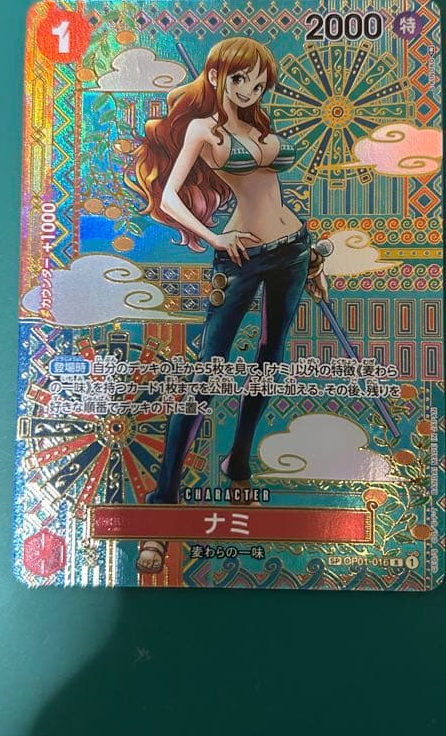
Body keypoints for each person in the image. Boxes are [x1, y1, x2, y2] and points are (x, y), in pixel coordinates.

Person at [128, 37, 327, 573]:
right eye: (241, 80)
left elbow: (273, 192)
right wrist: (215, 238)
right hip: (241, 256)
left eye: (259, 83)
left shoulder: (259, 127)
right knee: (205, 374)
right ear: (217, 76)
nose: (250, 90)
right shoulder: (204, 130)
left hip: (293, 249)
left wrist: (314, 262)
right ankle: (162, 506)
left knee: (270, 360)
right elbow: (169, 196)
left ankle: (238, 464)